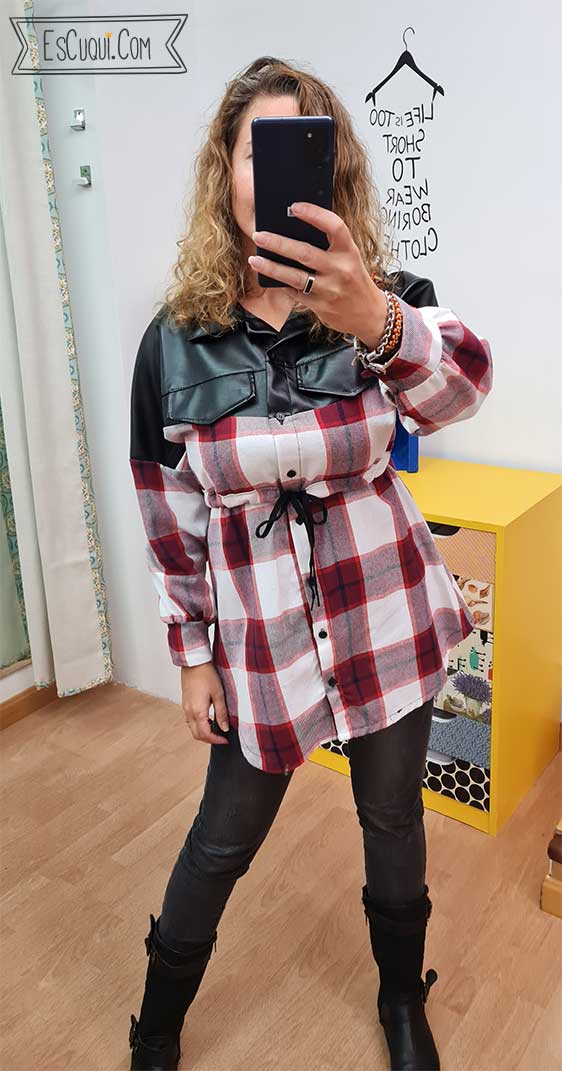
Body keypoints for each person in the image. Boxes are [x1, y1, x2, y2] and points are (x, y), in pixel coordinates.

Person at [127, 55, 493, 1071]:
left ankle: (401, 1000)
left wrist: (373, 318)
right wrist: (192, 654)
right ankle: (156, 1023)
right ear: (227, 169)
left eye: (302, 146)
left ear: (332, 171)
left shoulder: (386, 301)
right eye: (258, 148)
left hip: (385, 618)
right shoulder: (175, 341)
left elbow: (465, 389)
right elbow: (168, 512)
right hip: (260, 642)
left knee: (392, 818)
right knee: (221, 840)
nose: (276, 170)